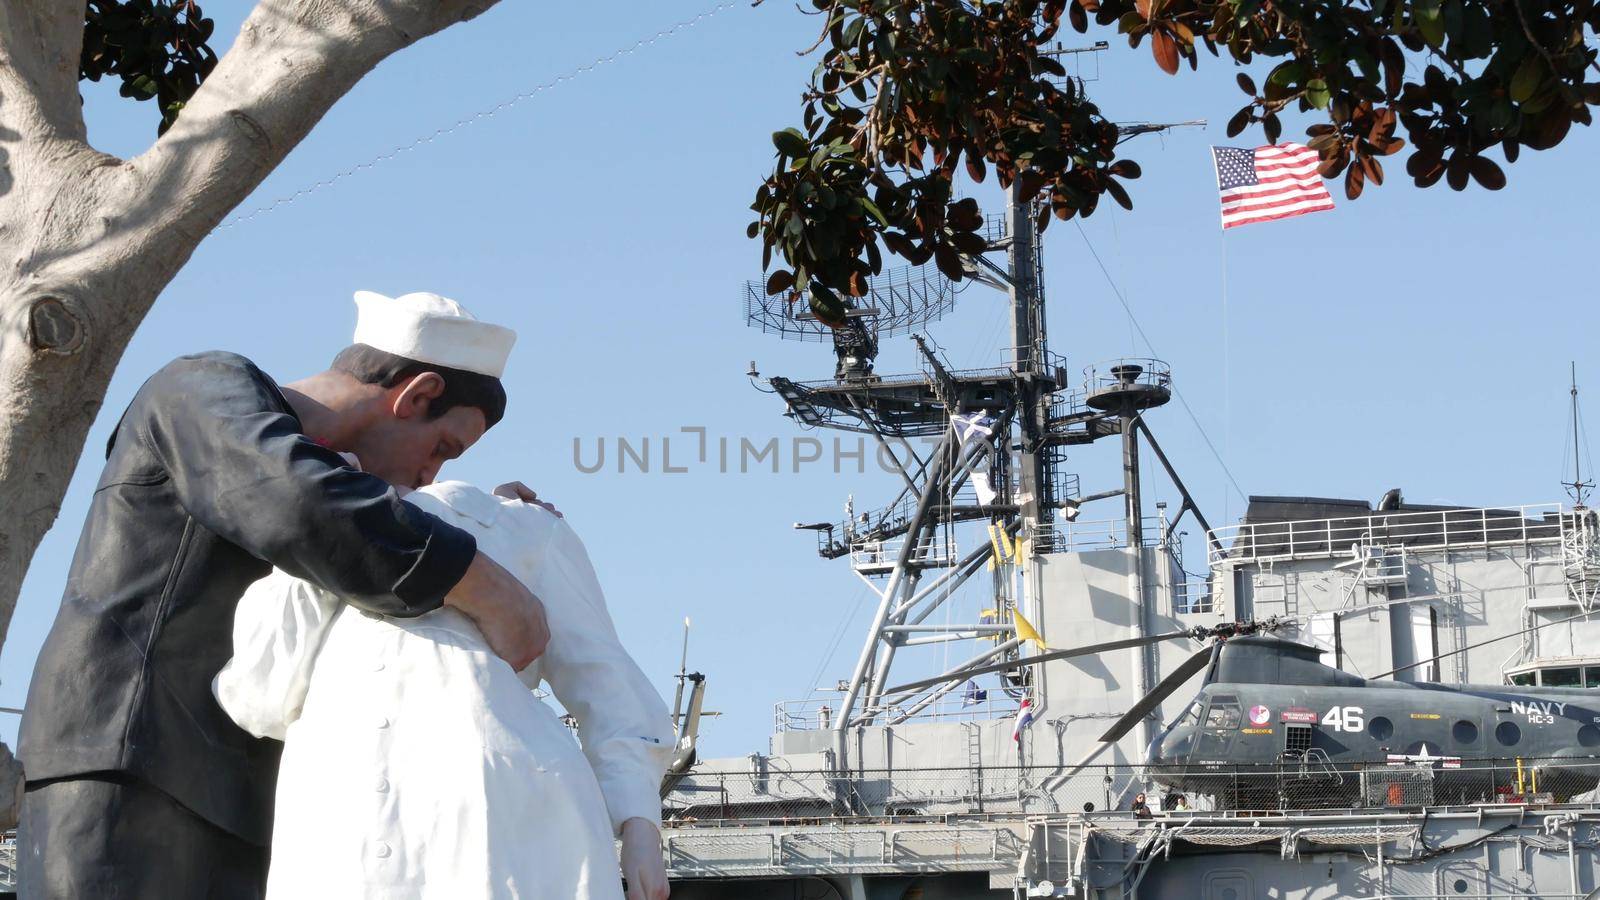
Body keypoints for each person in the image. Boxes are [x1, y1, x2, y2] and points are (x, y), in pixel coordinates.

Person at [17, 291, 551, 899]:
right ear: (418, 394)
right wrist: (482, 580)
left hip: (239, 795)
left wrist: (483, 515)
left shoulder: (338, 479)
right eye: (443, 450)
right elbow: (298, 502)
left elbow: (343, 514)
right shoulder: (200, 387)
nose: (431, 476)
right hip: (133, 759)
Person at [215, 480, 674, 899]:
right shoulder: (299, 552)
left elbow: (606, 682)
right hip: (338, 838)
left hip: (496, 831)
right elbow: (258, 701)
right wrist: (321, 541)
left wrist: (640, 827)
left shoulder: (515, 525)